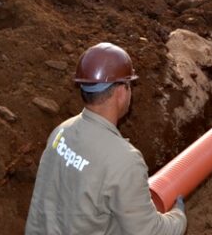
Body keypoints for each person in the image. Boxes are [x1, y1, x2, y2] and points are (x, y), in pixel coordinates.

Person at [25, 43, 188, 235]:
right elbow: (149, 232)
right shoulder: (124, 160)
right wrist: (179, 217)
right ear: (120, 91)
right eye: (129, 85)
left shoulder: (61, 132)